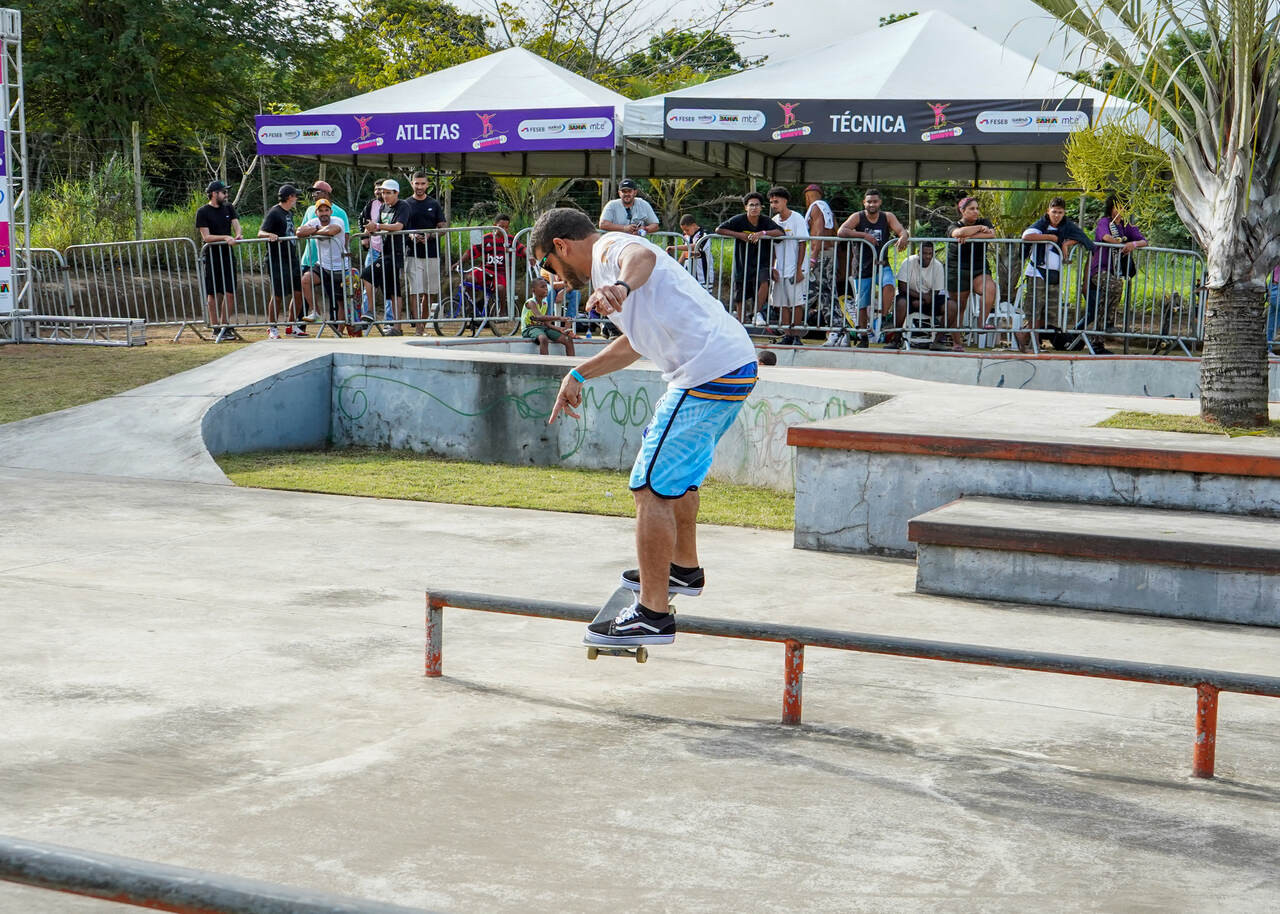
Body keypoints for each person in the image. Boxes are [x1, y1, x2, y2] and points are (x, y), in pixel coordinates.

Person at [538, 208, 757, 648]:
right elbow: (635, 343)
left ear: (561, 246)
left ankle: (652, 614)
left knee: (650, 487)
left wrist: (619, 285)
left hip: (706, 374)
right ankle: (683, 569)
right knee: (676, 477)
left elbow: (641, 255)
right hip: (729, 366)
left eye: (549, 267)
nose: (555, 279)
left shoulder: (608, 251)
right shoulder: (610, 271)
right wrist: (578, 375)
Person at [837, 188, 910, 347]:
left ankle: (884, 319)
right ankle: (863, 337)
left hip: (882, 264)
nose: (872, 204)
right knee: (862, 305)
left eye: (875, 201)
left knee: (889, 285)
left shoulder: (887, 217)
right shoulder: (858, 217)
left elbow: (901, 230)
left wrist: (904, 236)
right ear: (864, 203)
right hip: (862, 267)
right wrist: (864, 236)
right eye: (869, 201)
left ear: (880, 202)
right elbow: (841, 231)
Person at [1018, 196, 1092, 352]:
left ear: (1064, 213)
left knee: (1048, 312)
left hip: (1054, 274)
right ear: (1048, 211)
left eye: (1060, 212)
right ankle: (1033, 343)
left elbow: (1084, 238)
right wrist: (1051, 237)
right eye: (1054, 212)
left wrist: (1066, 243)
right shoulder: (1041, 224)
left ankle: (1022, 336)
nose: (1057, 215)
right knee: (1034, 308)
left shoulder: (1067, 226)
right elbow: (1026, 236)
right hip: (1037, 271)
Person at [716, 192, 783, 325]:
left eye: (757, 205)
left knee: (764, 281)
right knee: (740, 295)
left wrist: (762, 233)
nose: (754, 208)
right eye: (751, 205)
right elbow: (719, 229)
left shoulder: (765, 221)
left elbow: (780, 232)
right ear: (746, 207)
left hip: (762, 261)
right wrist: (739, 235)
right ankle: (741, 324)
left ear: (761, 207)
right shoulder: (738, 220)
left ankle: (755, 313)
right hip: (743, 261)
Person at [1086, 195, 1148, 338]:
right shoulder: (1105, 222)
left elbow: (1144, 241)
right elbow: (1105, 237)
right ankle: (1107, 323)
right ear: (1110, 208)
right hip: (1100, 269)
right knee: (1115, 285)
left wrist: (1132, 244)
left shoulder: (1126, 226)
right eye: (1117, 207)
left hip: (1115, 270)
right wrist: (1120, 244)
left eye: (1123, 207)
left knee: (1105, 300)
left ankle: (1098, 339)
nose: (1120, 211)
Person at [360, 178, 410, 335]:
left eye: (388, 193)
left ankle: (370, 311)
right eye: (383, 192)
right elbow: (379, 228)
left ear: (396, 193)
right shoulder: (383, 207)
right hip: (385, 251)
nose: (385, 195)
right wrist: (370, 230)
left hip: (397, 252)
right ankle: (397, 327)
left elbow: (398, 226)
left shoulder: (403, 206)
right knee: (393, 290)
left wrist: (377, 226)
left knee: (367, 274)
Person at [195, 180, 242, 343]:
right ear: (214, 194)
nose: (226, 194)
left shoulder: (228, 208)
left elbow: (236, 225)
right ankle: (215, 327)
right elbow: (206, 237)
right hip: (212, 255)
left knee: (230, 291)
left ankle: (225, 325)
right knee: (213, 292)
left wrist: (237, 234)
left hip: (227, 255)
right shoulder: (203, 212)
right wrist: (225, 237)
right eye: (223, 192)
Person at [946, 196, 1001, 335]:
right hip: (958, 269)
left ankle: (982, 323)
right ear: (962, 211)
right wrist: (978, 229)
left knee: (990, 287)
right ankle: (956, 341)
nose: (976, 211)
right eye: (972, 209)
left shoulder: (985, 221)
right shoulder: (955, 224)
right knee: (960, 306)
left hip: (979, 268)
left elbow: (991, 234)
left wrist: (970, 237)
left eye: (977, 208)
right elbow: (958, 233)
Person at [296, 199, 351, 337]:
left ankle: (339, 331)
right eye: (321, 210)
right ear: (316, 213)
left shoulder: (337, 220)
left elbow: (333, 231)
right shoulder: (314, 222)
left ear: (331, 212)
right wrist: (316, 229)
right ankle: (316, 311)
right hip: (322, 264)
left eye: (326, 210)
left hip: (340, 267)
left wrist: (313, 232)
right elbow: (299, 232)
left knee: (340, 301)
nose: (324, 213)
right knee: (305, 280)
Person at [258, 184, 306, 337]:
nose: (296, 199)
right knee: (277, 294)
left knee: (299, 292)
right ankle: (272, 328)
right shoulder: (274, 212)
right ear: (289, 197)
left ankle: (291, 326)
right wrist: (269, 235)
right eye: (295, 196)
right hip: (276, 259)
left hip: (291, 258)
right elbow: (260, 232)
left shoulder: (289, 213)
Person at [895, 242, 963, 351]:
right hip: (910, 297)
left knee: (952, 306)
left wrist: (923, 301)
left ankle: (937, 341)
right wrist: (921, 297)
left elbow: (936, 291)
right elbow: (902, 286)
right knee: (901, 302)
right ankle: (896, 339)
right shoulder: (908, 262)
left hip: (929, 299)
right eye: (924, 253)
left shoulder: (938, 266)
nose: (927, 256)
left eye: (930, 253)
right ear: (919, 253)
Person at [404, 171, 449, 334]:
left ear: (427, 184)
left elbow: (443, 227)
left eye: (422, 183)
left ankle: (423, 324)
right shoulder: (405, 204)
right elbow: (401, 226)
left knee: (429, 293)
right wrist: (410, 235)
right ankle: (418, 327)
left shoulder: (434, 204)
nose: (420, 187)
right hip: (412, 253)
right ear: (412, 184)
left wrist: (430, 235)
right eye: (417, 183)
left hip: (432, 253)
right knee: (415, 291)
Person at [767, 186, 808, 346]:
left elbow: (803, 243)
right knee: (781, 303)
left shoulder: (797, 218)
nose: (774, 205)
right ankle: (787, 335)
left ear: (785, 201)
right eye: (771, 202)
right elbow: (772, 247)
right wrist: (772, 267)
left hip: (794, 267)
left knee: (796, 303)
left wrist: (799, 269)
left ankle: (797, 335)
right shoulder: (774, 221)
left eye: (776, 201)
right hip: (780, 268)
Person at [803, 183, 838, 315]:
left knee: (824, 289)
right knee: (822, 287)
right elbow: (836, 230)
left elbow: (819, 233)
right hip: (829, 251)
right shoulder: (827, 209)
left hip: (821, 253)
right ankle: (806, 315)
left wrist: (813, 255)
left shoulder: (816, 208)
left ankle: (834, 322)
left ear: (808, 196)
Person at [520, 277, 576, 356]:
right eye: (542, 287)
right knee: (543, 339)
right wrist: (559, 318)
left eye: (546, 286)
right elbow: (539, 317)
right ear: (534, 291)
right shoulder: (531, 302)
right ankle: (545, 365)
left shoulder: (545, 303)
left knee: (568, 339)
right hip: (529, 328)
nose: (546, 289)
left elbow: (547, 323)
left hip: (543, 328)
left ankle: (572, 365)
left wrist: (559, 329)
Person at [674, 214, 712, 288]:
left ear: (694, 225)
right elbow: (685, 252)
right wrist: (677, 265)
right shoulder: (685, 236)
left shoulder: (704, 234)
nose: (685, 232)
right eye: (683, 230)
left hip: (703, 274)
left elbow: (695, 246)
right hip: (688, 273)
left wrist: (674, 247)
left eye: (687, 230)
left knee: (703, 297)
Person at [1269, 264, 1280, 354]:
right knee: (1272, 323)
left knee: (1273, 322)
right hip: (1274, 288)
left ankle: (1270, 347)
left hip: (1274, 288)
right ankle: (1270, 347)